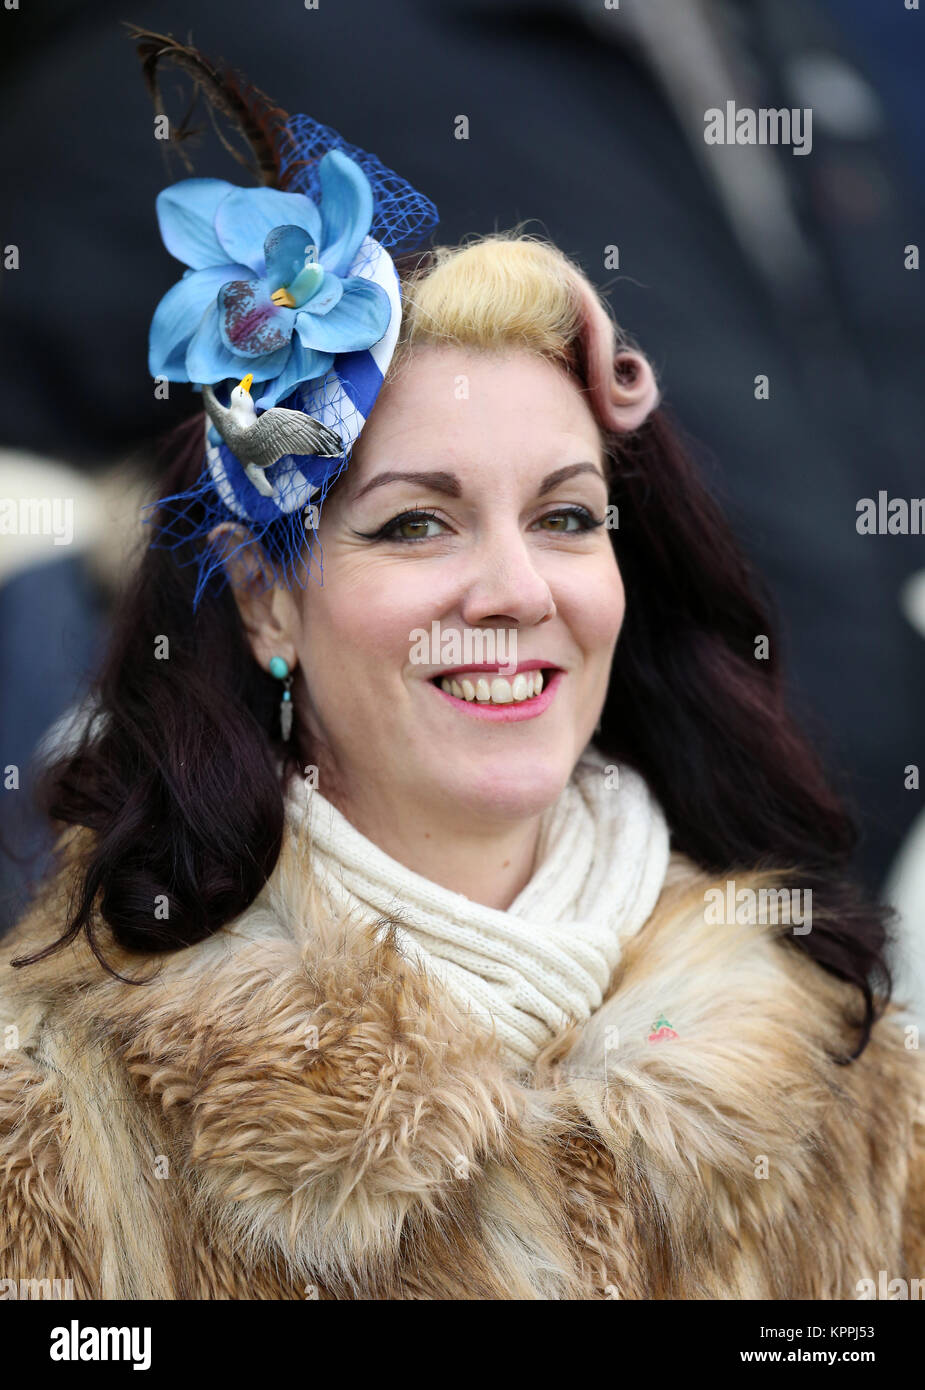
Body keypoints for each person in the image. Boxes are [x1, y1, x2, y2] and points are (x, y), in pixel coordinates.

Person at [0, 40, 922, 1301]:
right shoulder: (49, 1099)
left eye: (566, 516)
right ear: (269, 598)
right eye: (416, 523)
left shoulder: (847, 1073)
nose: (516, 589)